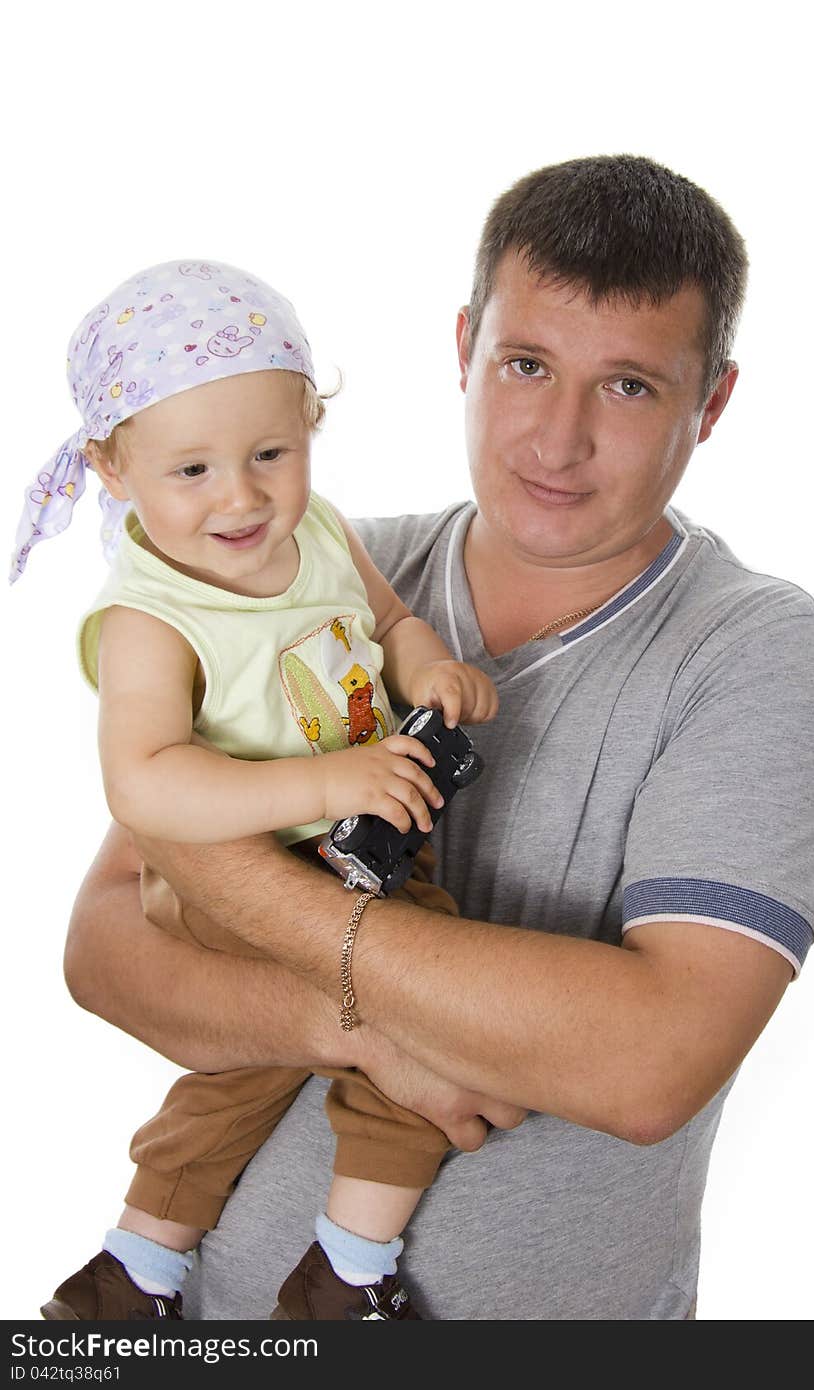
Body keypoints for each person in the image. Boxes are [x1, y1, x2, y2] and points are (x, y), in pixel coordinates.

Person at [61, 156, 814, 1321]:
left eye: (629, 386)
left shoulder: (757, 656)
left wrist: (222, 867)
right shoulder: (308, 576)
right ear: (463, 348)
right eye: (526, 364)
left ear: (713, 401)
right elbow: (104, 948)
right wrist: (362, 1033)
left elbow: (648, 1064)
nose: (558, 437)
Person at [12, 259, 502, 1321]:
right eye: (190, 470)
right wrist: (331, 775)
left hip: (362, 837)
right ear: (111, 466)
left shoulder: (314, 529)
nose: (241, 496)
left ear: (309, 431)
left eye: (270, 454)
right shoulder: (152, 615)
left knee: (246, 1067)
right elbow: (141, 779)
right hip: (254, 874)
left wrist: (427, 670)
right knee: (431, 1025)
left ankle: (133, 1268)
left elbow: (388, 622)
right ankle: (350, 1270)